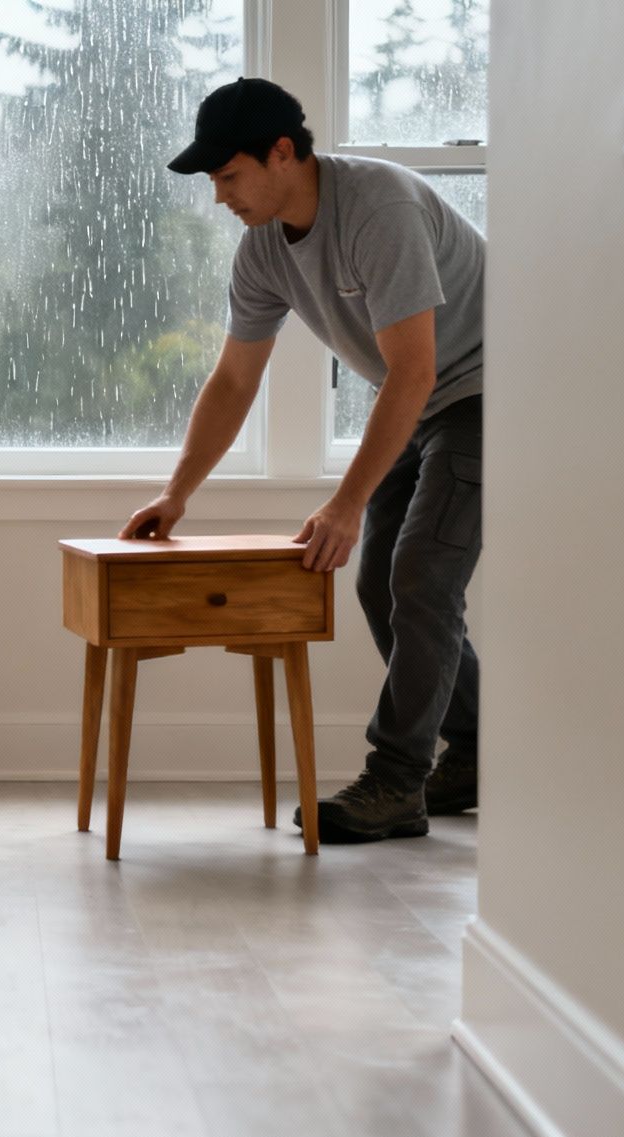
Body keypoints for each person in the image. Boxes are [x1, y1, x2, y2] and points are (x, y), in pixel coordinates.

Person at [122, 77, 485, 843]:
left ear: (281, 153)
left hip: (490, 391)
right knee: (382, 580)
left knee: (421, 573)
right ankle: (478, 751)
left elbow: (415, 371)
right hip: (423, 403)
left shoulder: (377, 209)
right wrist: (177, 495)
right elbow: (233, 380)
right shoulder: (262, 252)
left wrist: (346, 502)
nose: (220, 196)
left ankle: (396, 783)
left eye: (228, 175)